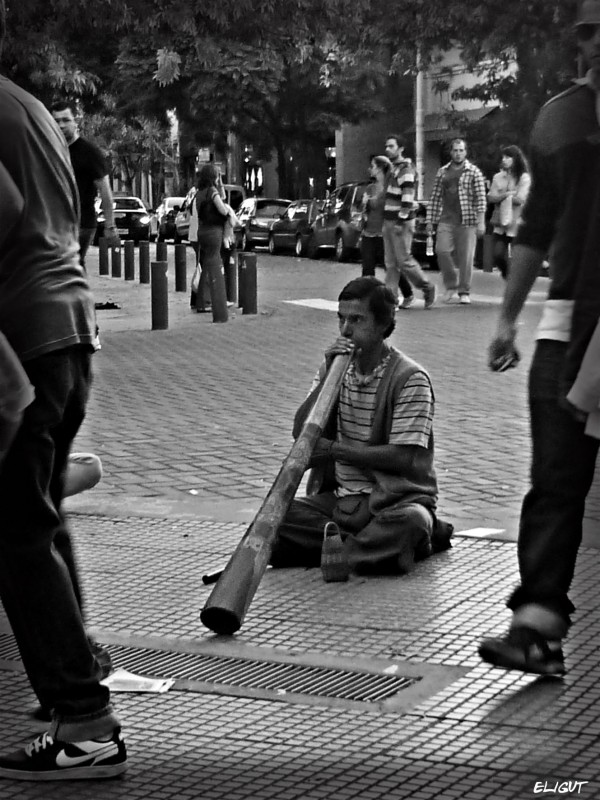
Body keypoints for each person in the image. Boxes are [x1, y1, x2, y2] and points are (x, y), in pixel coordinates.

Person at [0, 0, 126, 779]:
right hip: (68, 326)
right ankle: (78, 680)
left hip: (26, 335)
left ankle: (84, 721)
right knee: (36, 517)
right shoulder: (29, 105)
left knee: (16, 528)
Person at [479, 0, 600, 676]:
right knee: (554, 480)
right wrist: (506, 318)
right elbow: (534, 231)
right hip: (565, 328)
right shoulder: (558, 118)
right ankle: (537, 626)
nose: (599, 42)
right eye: (589, 31)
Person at [270, 276, 452, 575]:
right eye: (341, 319)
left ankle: (345, 548)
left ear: (382, 325)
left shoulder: (410, 378)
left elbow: (403, 457)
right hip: (342, 501)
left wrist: (335, 450)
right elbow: (300, 433)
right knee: (277, 517)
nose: (345, 330)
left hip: (394, 501)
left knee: (410, 523)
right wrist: (329, 377)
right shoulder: (335, 368)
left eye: (356, 320)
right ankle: (365, 550)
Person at [50, 100, 120, 266]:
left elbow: (105, 190)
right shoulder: (50, 150)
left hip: (82, 222)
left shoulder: (89, 152)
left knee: (68, 265)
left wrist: (110, 226)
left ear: (76, 121)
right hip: (55, 222)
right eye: (56, 121)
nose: (61, 125)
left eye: (66, 120)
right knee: (68, 268)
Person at [427, 138, 487, 305]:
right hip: (446, 219)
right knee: (442, 251)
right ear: (451, 152)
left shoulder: (474, 172)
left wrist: (481, 222)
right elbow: (435, 197)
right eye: (455, 150)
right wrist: (430, 220)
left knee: (466, 257)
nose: (458, 153)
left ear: (465, 152)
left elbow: (481, 199)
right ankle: (450, 285)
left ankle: (464, 291)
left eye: (461, 150)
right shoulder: (443, 172)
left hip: (467, 221)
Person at [383, 135, 436, 309]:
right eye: (387, 146)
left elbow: (407, 198)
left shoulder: (406, 169)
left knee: (404, 260)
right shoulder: (392, 169)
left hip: (401, 222)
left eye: (391, 146)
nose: (387, 149)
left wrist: (401, 220)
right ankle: (391, 300)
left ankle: (427, 286)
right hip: (389, 220)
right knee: (391, 264)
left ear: (401, 149)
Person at [360, 155, 415, 308]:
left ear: (380, 168)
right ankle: (367, 299)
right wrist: (363, 205)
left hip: (383, 232)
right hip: (368, 232)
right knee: (367, 268)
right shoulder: (370, 187)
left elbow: (390, 205)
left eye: (372, 166)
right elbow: (363, 210)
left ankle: (408, 293)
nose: (370, 169)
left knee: (390, 267)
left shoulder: (390, 187)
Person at [487, 145, 532, 280]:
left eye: (508, 157)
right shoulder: (498, 177)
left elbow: (520, 199)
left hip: (517, 223)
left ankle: (518, 279)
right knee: (498, 254)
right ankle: (509, 276)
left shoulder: (524, 177)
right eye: (503, 157)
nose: (504, 160)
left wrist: (504, 197)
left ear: (515, 159)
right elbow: (491, 197)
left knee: (519, 258)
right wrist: (507, 195)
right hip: (501, 223)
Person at [194, 164, 230, 318]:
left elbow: (221, 197)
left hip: (202, 231)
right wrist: (229, 212)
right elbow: (222, 208)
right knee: (215, 263)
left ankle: (203, 301)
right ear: (212, 176)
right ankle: (214, 301)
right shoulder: (212, 191)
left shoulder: (200, 192)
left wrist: (220, 183)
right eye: (217, 175)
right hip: (214, 231)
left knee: (207, 264)